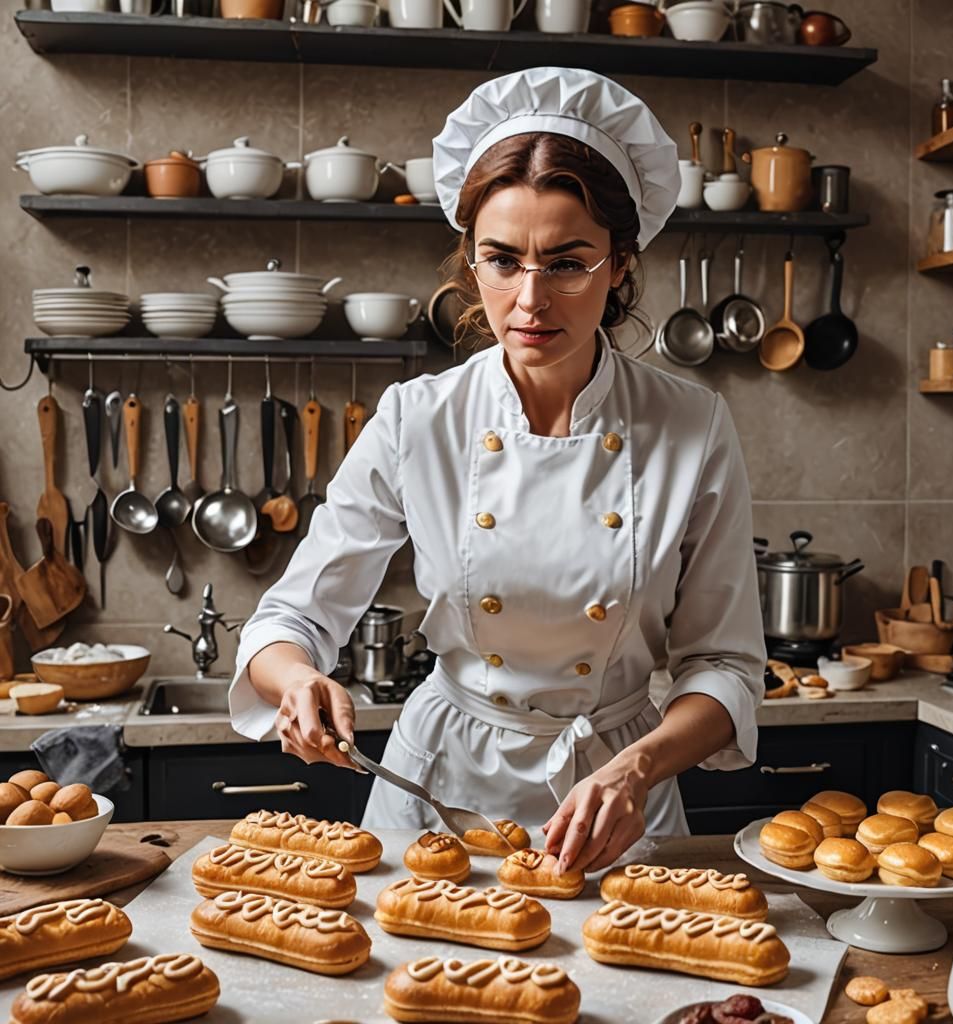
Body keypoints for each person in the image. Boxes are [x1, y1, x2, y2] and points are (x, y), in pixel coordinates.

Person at [229, 67, 765, 875]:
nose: (530, 299)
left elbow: (725, 667)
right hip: (434, 791)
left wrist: (638, 769)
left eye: (568, 262)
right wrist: (298, 681)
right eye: (502, 260)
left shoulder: (690, 425)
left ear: (620, 265)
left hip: (615, 797)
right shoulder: (419, 418)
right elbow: (288, 623)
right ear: (470, 263)